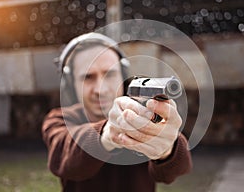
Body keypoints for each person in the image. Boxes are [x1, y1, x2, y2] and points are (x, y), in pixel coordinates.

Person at [42, 32, 192, 192]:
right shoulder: (58, 119)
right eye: (88, 77)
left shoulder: (142, 113)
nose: (101, 89)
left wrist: (167, 149)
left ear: (123, 75)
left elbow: (175, 170)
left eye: (110, 74)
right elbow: (65, 156)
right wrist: (108, 133)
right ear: (70, 85)